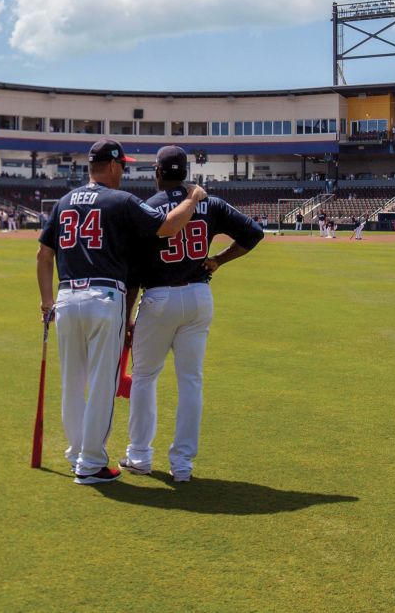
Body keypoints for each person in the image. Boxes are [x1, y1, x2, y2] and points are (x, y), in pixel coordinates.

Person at [36, 139, 206, 485]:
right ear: (112, 166)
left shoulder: (65, 201)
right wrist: (193, 199)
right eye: (123, 166)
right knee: (102, 382)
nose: (124, 171)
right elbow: (169, 227)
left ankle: (76, 451)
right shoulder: (121, 200)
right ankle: (91, 463)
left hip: (66, 297)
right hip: (103, 297)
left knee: (72, 381)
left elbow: (43, 255)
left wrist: (45, 303)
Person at [120, 146, 263, 483]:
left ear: (158, 172)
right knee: (191, 382)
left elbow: (131, 275)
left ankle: (139, 455)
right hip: (199, 295)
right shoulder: (208, 203)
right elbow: (253, 234)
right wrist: (218, 260)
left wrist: (126, 318)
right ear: (184, 172)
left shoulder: (148, 208)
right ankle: (182, 465)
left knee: (144, 377)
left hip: (157, 297)